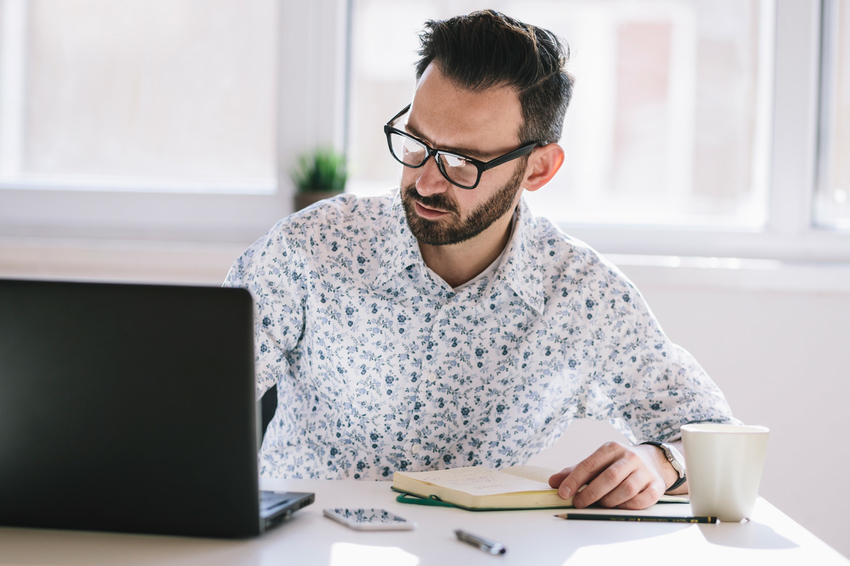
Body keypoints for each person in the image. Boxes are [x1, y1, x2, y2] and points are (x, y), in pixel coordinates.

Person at [224, 10, 738, 510]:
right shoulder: (311, 248)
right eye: (416, 143)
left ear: (538, 168)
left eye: (461, 161)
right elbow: (183, 391)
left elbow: (714, 435)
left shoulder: (582, 296)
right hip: (305, 547)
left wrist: (658, 462)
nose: (425, 181)